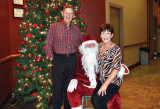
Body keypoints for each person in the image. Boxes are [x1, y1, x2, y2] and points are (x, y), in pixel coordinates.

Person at [67, 35, 129, 109]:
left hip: (100, 85)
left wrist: (121, 67)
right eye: (87, 45)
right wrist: (74, 80)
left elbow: (111, 64)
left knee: (114, 95)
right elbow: (76, 73)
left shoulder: (100, 56)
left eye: (92, 44)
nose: (90, 47)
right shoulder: (78, 59)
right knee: (71, 91)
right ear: (83, 48)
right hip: (84, 86)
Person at [45, 5, 82, 109]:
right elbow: (48, 45)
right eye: (66, 13)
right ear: (62, 14)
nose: (68, 15)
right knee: (57, 89)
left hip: (72, 60)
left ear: (73, 15)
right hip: (58, 60)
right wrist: (53, 59)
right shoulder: (54, 27)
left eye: (71, 13)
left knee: (68, 89)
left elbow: (81, 44)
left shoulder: (76, 29)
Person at [91, 23, 127, 109]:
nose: (105, 35)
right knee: (93, 100)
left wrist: (105, 85)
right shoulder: (99, 46)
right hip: (102, 78)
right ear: (100, 35)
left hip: (113, 81)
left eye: (108, 33)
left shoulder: (116, 49)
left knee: (97, 101)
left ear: (112, 35)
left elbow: (116, 69)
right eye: (103, 33)